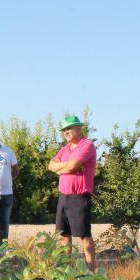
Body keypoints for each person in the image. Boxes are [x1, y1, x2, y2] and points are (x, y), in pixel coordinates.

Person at [47, 115, 97, 271]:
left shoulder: (87, 145)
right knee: (64, 236)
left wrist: (65, 167)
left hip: (79, 197)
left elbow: (72, 166)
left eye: (69, 128)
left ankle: (91, 272)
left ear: (79, 128)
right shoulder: (65, 149)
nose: (66, 132)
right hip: (64, 197)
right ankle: (66, 271)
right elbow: (50, 166)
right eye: (64, 130)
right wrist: (67, 167)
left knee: (84, 236)